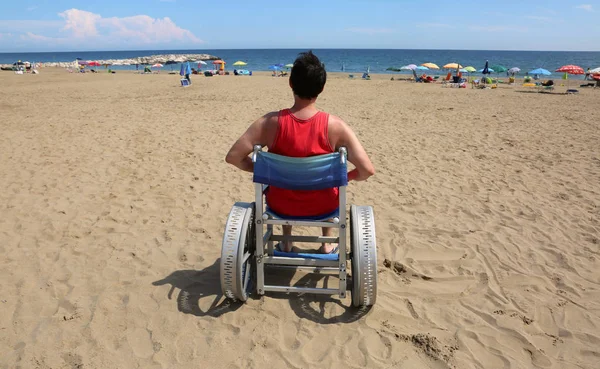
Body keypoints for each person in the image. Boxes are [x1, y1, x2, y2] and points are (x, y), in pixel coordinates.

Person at [225, 51, 375, 254]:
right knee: (330, 188)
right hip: (323, 206)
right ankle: (326, 243)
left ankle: (286, 241)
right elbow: (366, 170)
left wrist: (266, 171)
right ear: (321, 88)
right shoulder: (336, 126)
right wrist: (341, 178)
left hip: (281, 206)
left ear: (290, 83)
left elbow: (233, 157)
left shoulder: (269, 123)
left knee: (287, 179)